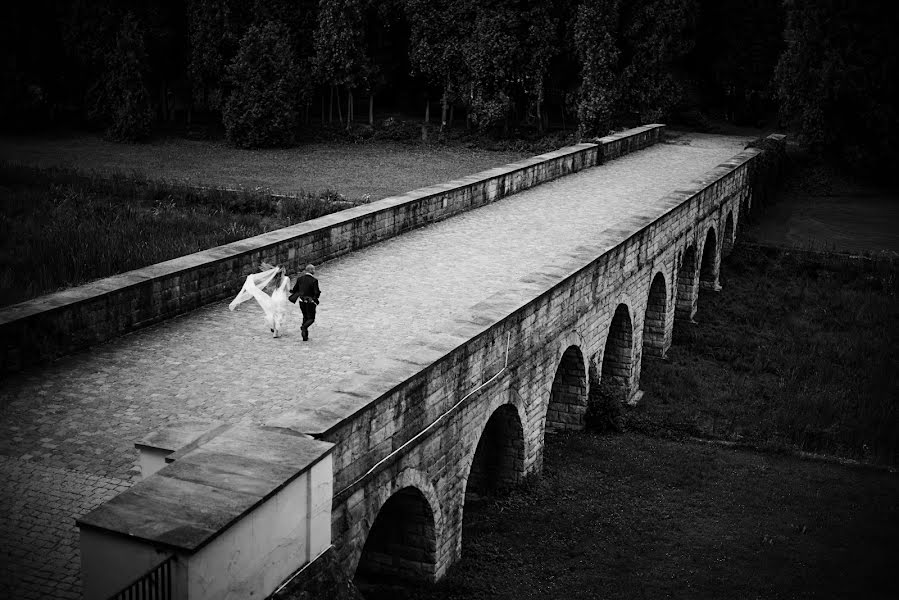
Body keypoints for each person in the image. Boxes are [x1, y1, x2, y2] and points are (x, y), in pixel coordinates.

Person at [289, 263, 321, 341]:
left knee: (305, 316)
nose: (314, 271)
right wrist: (315, 299)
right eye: (313, 269)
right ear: (311, 270)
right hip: (310, 302)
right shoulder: (314, 280)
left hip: (301, 301)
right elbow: (316, 293)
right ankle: (304, 327)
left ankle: (305, 336)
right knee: (311, 318)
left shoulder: (300, 279)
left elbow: (294, 289)